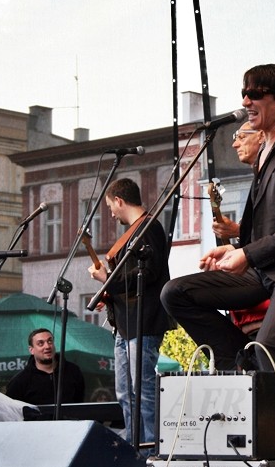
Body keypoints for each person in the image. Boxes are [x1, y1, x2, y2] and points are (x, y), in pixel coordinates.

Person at [161, 64, 275, 467]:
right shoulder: (265, 149)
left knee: (273, 346)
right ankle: (239, 360)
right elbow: (268, 224)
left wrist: (247, 253)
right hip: (266, 271)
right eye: (244, 93)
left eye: (256, 93)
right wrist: (235, 248)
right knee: (176, 293)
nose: (246, 101)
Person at [88, 178, 173, 455]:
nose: (111, 213)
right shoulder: (136, 232)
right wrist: (109, 293)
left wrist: (107, 280)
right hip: (126, 324)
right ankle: (135, 449)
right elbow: (132, 281)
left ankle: (150, 451)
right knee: (125, 393)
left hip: (143, 322)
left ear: (119, 201)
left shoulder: (149, 229)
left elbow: (147, 275)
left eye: (110, 206)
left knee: (143, 391)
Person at [212, 121, 264, 242]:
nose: (235, 145)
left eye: (242, 137)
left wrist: (238, 231)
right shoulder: (258, 179)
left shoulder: (273, 177)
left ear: (261, 136)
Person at [6, 328, 85, 405]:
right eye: (40, 343)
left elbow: (79, 404)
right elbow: (11, 409)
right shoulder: (20, 381)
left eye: (50, 341)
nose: (47, 346)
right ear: (31, 350)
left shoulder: (73, 371)